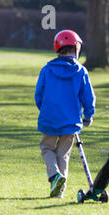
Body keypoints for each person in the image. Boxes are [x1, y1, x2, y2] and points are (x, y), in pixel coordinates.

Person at [34, 30, 96, 198]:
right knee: (63, 154)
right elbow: (88, 97)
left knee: (47, 148)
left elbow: (38, 95)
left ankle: (55, 176)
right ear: (76, 49)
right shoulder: (81, 71)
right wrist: (88, 115)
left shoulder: (47, 69)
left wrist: (46, 109)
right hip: (70, 122)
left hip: (49, 119)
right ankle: (58, 191)